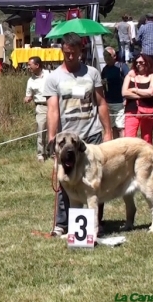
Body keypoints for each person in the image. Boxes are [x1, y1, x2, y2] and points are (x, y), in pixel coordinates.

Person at [43, 33, 113, 237]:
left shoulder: (92, 73)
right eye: (66, 53)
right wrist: (52, 138)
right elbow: (53, 110)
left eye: (73, 53)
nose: (70, 57)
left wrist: (107, 132)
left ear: (81, 51)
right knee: (66, 180)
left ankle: (95, 223)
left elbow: (101, 103)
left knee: (94, 180)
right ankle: (63, 223)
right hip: (66, 141)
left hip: (91, 136)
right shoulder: (54, 77)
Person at [121, 54, 153, 144]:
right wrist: (144, 94)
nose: (138, 64)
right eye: (136, 62)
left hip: (147, 111)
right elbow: (124, 93)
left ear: (147, 63)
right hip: (131, 111)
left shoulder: (152, 76)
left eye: (141, 62)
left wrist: (134, 90)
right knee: (128, 139)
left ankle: (147, 157)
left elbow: (151, 92)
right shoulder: (129, 76)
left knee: (147, 139)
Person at [23, 56, 50, 162]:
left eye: (30, 65)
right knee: (41, 130)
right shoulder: (30, 81)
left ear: (37, 65)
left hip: (54, 106)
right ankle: (41, 154)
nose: (28, 67)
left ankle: (54, 152)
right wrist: (27, 98)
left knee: (55, 130)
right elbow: (28, 95)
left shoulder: (49, 74)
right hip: (41, 107)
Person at [101, 47, 130, 139]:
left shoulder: (122, 67)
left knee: (120, 127)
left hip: (120, 102)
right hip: (108, 102)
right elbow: (102, 83)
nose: (106, 58)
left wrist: (126, 99)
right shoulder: (105, 69)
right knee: (113, 127)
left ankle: (124, 147)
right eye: (104, 56)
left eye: (108, 56)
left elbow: (129, 81)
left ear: (114, 56)